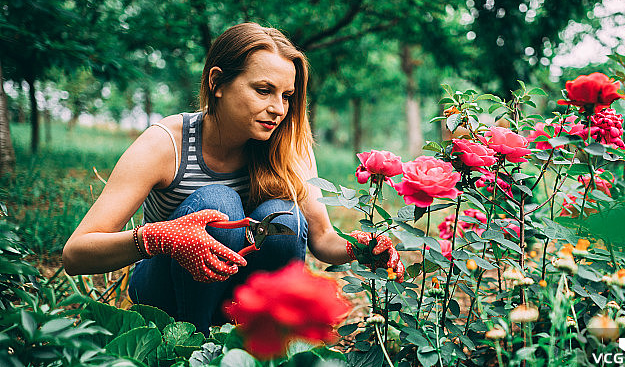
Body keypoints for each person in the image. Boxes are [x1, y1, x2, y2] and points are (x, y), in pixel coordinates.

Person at [63, 23, 404, 333]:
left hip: (242, 295)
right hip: (165, 297)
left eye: (286, 96)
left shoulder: (288, 146)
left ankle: (260, 337)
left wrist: (360, 247)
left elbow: (321, 238)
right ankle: (188, 344)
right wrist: (157, 237)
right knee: (218, 204)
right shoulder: (165, 144)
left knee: (283, 216)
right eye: (263, 90)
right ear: (217, 83)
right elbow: (76, 254)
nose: (278, 109)